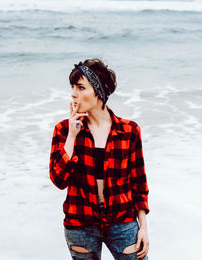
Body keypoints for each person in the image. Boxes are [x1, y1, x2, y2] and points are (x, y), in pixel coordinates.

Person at [49, 58, 150, 260]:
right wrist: (71, 136)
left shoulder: (129, 131)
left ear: (98, 91)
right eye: (72, 87)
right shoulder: (64, 130)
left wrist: (143, 228)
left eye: (80, 87)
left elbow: (139, 184)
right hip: (81, 223)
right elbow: (59, 180)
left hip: (122, 221)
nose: (73, 93)